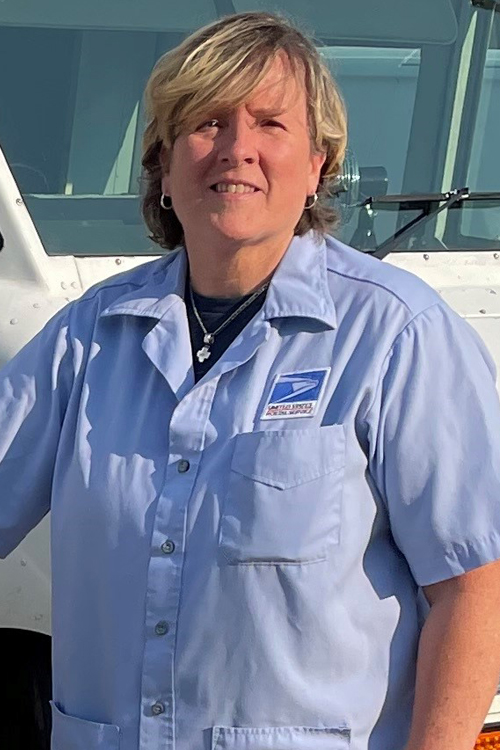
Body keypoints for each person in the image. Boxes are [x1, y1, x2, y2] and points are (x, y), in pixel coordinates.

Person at [1, 11, 500, 750]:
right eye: (206, 123)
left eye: (271, 124)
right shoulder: (86, 338)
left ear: (319, 165)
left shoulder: (398, 338)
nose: (237, 151)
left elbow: (472, 590)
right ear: (164, 165)